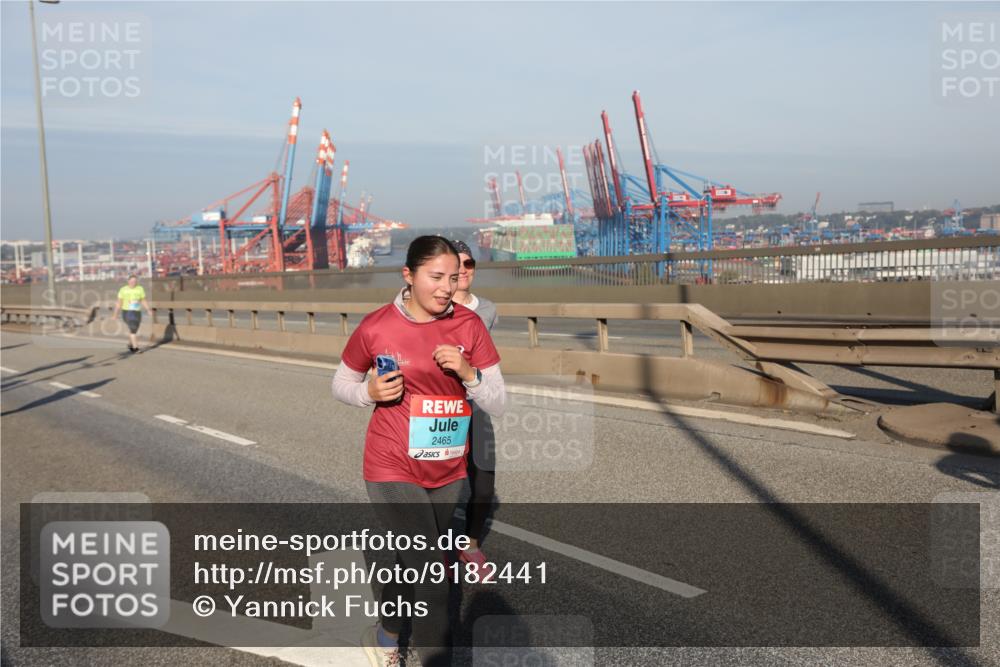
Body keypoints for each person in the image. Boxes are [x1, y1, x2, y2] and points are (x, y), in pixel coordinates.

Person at [332, 235, 506, 667]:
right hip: (391, 464)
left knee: (416, 561)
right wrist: (368, 392)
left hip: (446, 470)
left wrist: (469, 373)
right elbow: (340, 384)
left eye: (454, 277)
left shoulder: (470, 326)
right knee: (433, 572)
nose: (447, 287)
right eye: (436, 277)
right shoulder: (376, 326)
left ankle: (386, 634)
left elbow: (499, 402)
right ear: (408, 276)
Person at [449, 240, 498, 580]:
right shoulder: (427, 306)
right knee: (441, 486)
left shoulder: (488, 309)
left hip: (475, 404)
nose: (464, 270)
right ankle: (437, 550)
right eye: (457, 264)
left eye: (470, 264)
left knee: (483, 486)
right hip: (438, 410)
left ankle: (471, 545)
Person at [111, 274, 151, 353]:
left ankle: (130, 343)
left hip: (137, 312)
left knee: (134, 329)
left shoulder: (140, 289)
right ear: (128, 281)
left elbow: (143, 300)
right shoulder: (123, 290)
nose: (133, 282)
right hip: (127, 312)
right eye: (132, 281)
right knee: (133, 328)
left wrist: (148, 309)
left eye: (135, 281)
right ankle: (135, 348)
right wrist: (115, 315)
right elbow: (119, 303)